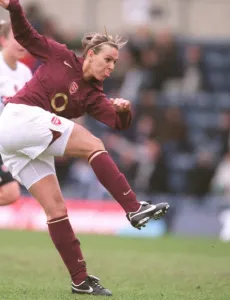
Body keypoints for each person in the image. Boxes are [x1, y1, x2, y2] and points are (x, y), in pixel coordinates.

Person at [0, 0, 169, 296]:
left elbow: (118, 124)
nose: (111, 67)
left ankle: (80, 279)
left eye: (115, 63)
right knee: (93, 144)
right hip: (19, 118)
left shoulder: (93, 95)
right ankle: (133, 208)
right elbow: (26, 36)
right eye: (108, 60)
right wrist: (14, 7)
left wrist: (125, 111)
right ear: (90, 55)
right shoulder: (61, 56)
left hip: (19, 145)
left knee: (56, 209)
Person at [0, 20, 32, 205]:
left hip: (9, 144)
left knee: (11, 194)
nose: (23, 43)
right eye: (17, 38)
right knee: (11, 192)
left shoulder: (25, 72)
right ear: (3, 40)